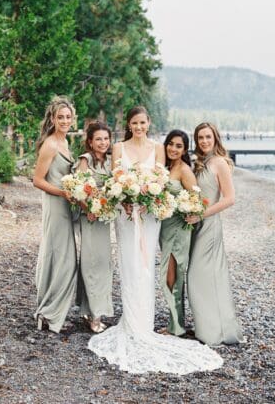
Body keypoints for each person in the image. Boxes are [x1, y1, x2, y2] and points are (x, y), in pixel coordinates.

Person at [87, 106, 222, 374]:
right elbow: (116, 178)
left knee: (147, 267)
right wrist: (123, 199)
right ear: (129, 124)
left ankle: (144, 324)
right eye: (134, 123)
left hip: (149, 216)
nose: (139, 127)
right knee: (129, 264)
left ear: (149, 123)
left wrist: (149, 199)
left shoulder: (157, 149)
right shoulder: (118, 147)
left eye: (143, 123)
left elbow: (159, 182)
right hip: (125, 216)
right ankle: (131, 322)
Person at [187, 122, 243, 346]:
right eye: (200, 137)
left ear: (215, 138)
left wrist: (202, 215)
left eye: (208, 137)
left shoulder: (219, 163)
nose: (204, 141)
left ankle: (216, 331)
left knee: (199, 276)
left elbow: (229, 199)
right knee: (202, 278)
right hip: (196, 224)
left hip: (209, 226)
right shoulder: (201, 162)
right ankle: (207, 327)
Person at [31, 96, 79, 333]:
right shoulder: (50, 144)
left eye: (68, 117)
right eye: (60, 117)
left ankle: (50, 311)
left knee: (63, 257)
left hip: (65, 205)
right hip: (55, 205)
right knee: (60, 257)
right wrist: (62, 193)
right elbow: (37, 180)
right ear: (52, 118)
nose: (64, 121)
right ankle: (48, 311)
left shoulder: (65, 142)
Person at [73, 120, 115, 333]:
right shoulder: (85, 160)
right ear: (90, 141)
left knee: (103, 262)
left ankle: (93, 310)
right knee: (91, 262)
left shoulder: (109, 161)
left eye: (106, 138)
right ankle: (94, 315)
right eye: (98, 139)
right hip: (89, 217)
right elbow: (78, 189)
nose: (103, 142)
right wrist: (87, 206)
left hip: (104, 218)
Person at [158, 130, 197, 336]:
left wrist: (190, 212)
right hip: (165, 226)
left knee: (171, 275)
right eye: (171, 144)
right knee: (168, 274)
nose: (173, 149)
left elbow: (197, 200)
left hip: (178, 229)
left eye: (178, 146)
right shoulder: (165, 168)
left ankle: (177, 326)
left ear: (184, 149)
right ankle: (175, 322)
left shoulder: (184, 170)